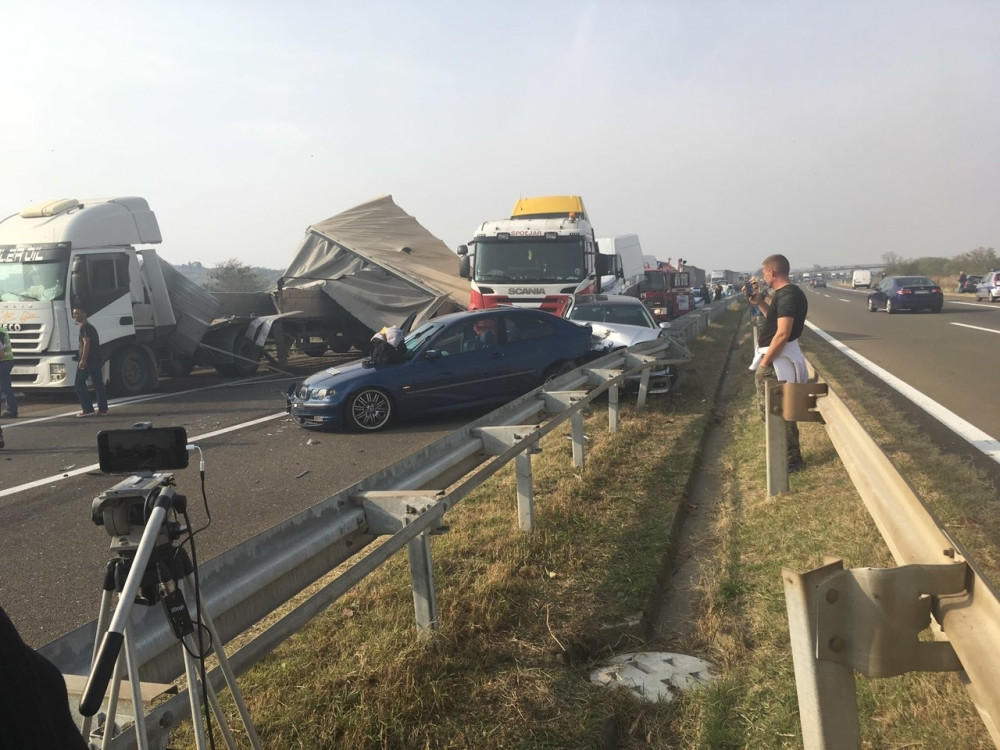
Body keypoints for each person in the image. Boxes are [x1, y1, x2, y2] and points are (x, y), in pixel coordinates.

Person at [746, 254, 809, 473]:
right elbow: (774, 322)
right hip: (776, 361)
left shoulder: (788, 295)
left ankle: (791, 460)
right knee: (775, 412)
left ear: (772, 272)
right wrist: (759, 302)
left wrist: (765, 363)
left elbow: (782, 334)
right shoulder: (783, 295)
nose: (763, 277)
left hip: (777, 364)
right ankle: (787, 456)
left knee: (778, 412)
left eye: (764, 273)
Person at [73, 305, 108, 417]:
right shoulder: (91, 327)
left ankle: (88, 409)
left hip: (88, 361)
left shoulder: (85, 328)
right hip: (96, 360)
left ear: (84, 314)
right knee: (98, 384)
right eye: (74, 313)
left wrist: (83, 360)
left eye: (77, 313)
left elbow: (86, 344)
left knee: (78, 384)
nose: (75, 316)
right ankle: (102, 409)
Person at [0, 326, 16, 417]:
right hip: (5, 362)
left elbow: (1, 353)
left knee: (5, 387)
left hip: (3, 363)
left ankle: (12, 411)